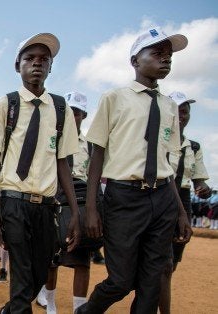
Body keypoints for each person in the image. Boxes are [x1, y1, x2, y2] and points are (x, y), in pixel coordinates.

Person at [77, 28, 193, 313]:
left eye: (168, 55)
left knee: (152, 283)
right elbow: (97, 157)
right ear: (135, 61)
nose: (165, 59)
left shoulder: (168, 107)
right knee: (120, 280)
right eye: (157, 53)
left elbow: (166, 164)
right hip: (124, 199)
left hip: (163, 198)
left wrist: (179, 211)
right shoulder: (114, 98)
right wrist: (92, 208)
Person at [0, 33, 81, 314]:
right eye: (30, 58)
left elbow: (63, 164)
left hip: (47, 206)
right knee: (22, 272)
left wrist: (73, 212)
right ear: (17, 66)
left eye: (44, 59)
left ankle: (9, 310)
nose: (37, 64)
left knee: (39, 272)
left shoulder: (60, 109)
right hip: (13, 201)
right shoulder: (6, 105)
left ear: (51, 67)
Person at [36, 91, 93, 313]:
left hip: (79, 202)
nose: (72, 116)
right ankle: (50, 304)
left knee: (82, 259)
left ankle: (79, 308)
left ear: (84, 116)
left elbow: (96, 178)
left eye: (77, 112)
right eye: (68, 112)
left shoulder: (90, 145)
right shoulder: (50, 139)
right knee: (52, 258)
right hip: (53, 201)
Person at [158, 91, 211, 313]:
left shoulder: (194, 148)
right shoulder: (158, 140)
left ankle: (154, 295)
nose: (181, 115)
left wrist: (204, 189)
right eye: (177, 110)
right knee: (164, 264)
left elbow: (200, 181)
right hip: (159, 199)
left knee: (172, 264)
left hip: (184, 201)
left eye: (185, 111)